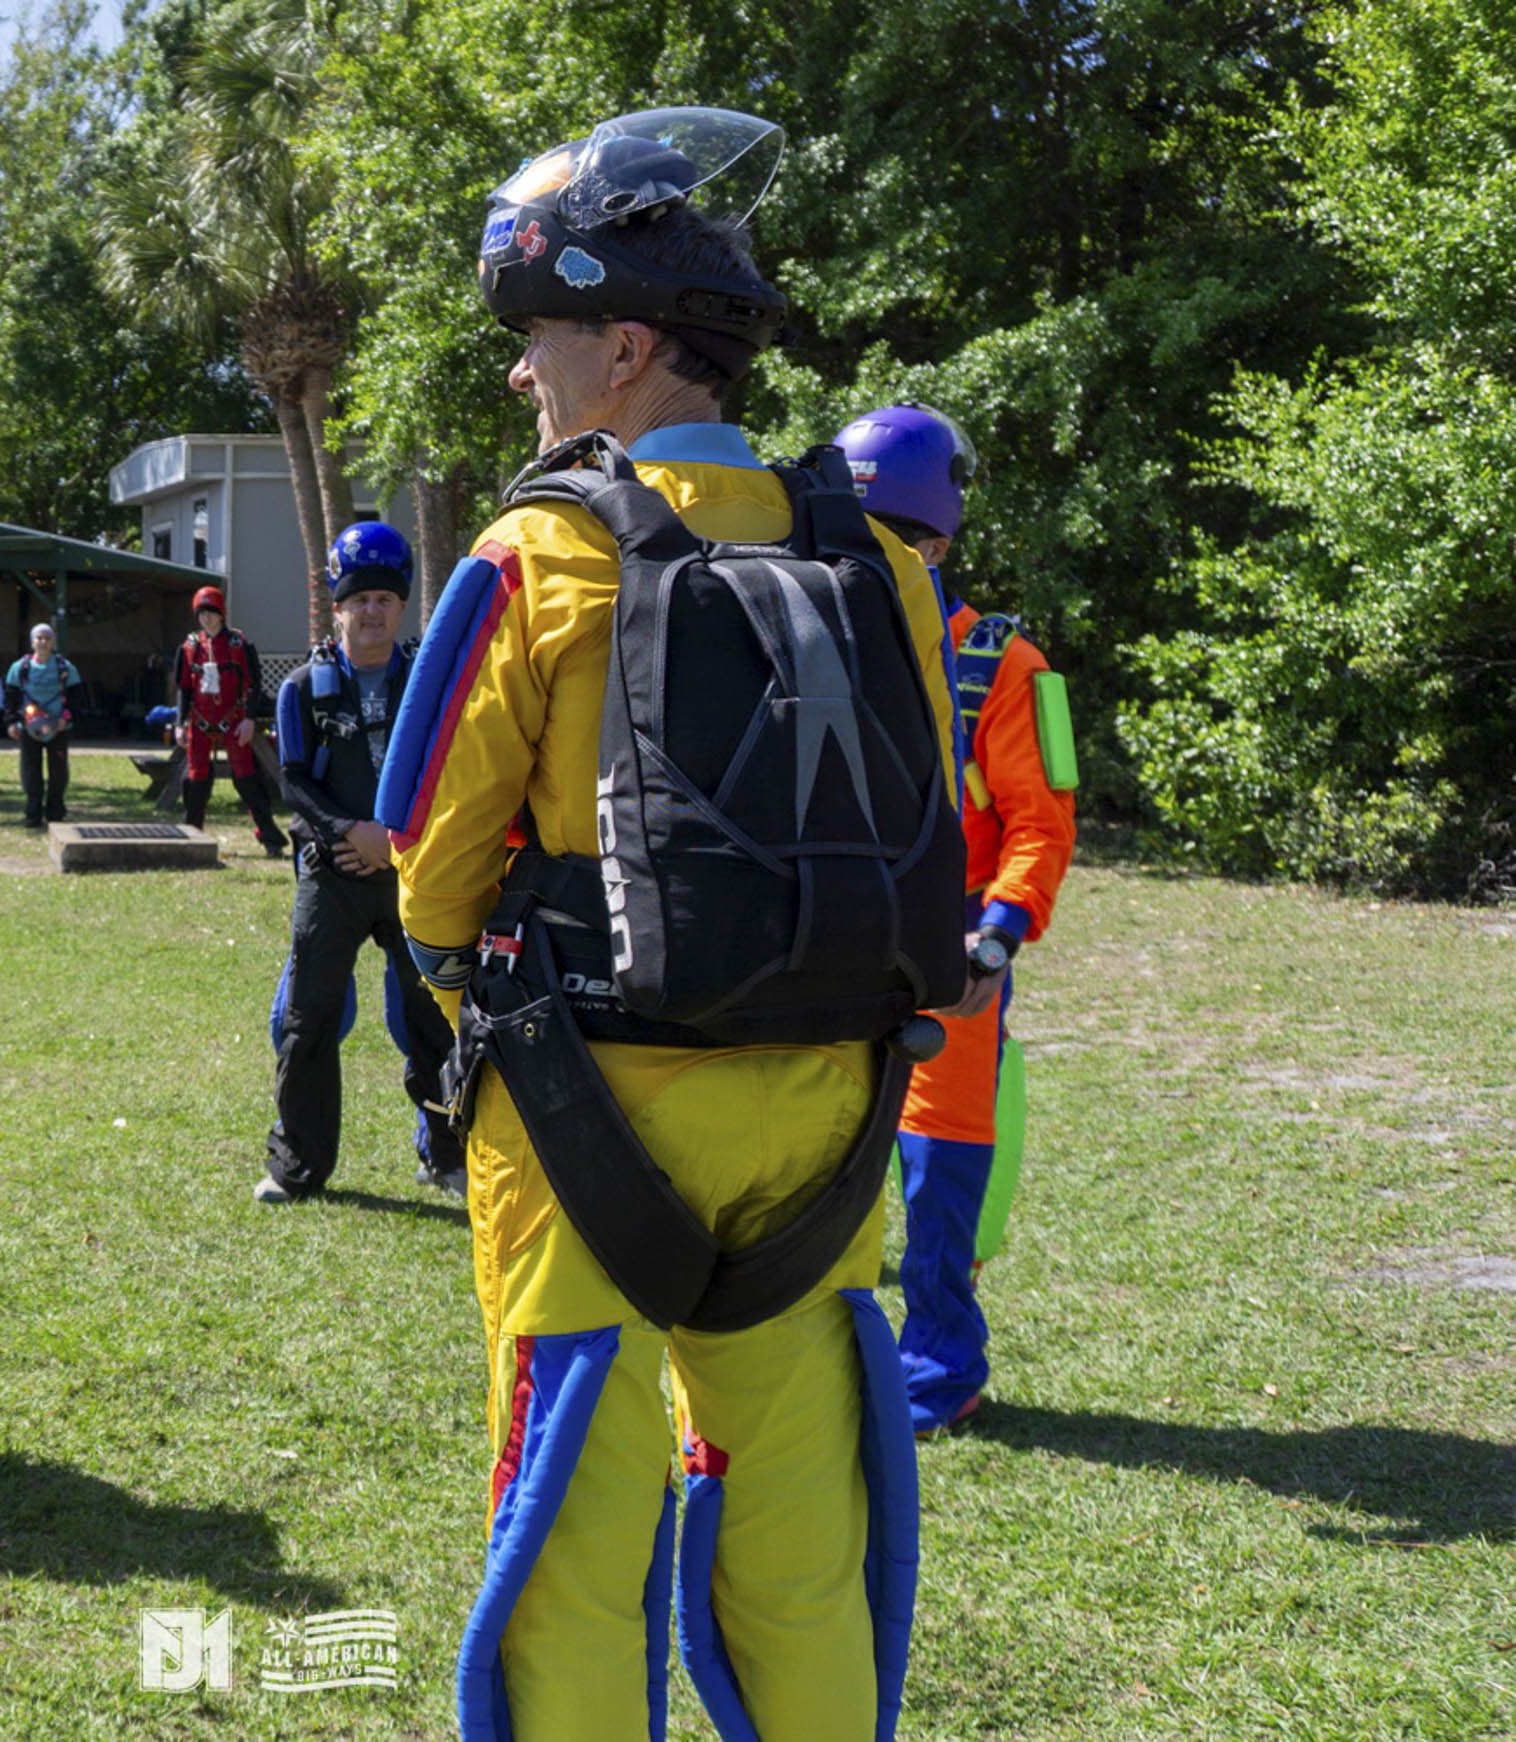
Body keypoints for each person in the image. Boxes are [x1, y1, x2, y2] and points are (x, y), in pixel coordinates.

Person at [375, 109, 966, 1741]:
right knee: (801, 1525)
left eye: (540, 341)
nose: (522, 377)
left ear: (626, 345)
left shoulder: (536, 551)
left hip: (583, 1115)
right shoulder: (881, 564)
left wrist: (466, 987)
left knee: (573, 1515)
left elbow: (430, 862)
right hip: (834, 1115)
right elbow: (931, 824)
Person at [835, 403, 1078, 1438]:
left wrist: (998, 933)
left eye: (886, 537)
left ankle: (938, 1366)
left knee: (938, 1169)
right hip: (832, 945)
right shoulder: (819, 644)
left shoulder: (1008, 668)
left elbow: (1041, 822)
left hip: (951, 960)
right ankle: (825, 1355)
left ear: (933, 541)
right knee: (823, 1159)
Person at [255, 523, 465, 1204]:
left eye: (383, 599)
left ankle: (446, 1155)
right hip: (333, 870)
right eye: (359, 600)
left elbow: (453, 770)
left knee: (431, 1019)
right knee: (308, 1020)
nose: (371, 611)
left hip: (414, 872)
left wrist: (395, 840)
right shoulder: (304, 690)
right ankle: (298, 1167)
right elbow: (293, 779)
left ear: (401, 607)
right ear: (337, 607)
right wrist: (350, 832)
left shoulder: (427, 684)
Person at [174, 585, 287, 856]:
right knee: (196, 778)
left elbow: (254, 684)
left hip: (234, 721)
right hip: (199, 722)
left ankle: (269, 837)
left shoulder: (239, 644)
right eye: (202, 613)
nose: (207, 619)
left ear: (221, 614)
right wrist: (179, 722)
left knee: (246, 777)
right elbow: (183, 688)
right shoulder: (190, 647)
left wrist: (249, 719)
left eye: (211, 613)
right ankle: (193, 834)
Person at [2, 623, 83, 829]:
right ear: (32, 642)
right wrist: (11, 722)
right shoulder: (19, 668)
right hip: (29, 727)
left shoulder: (66, 668)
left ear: (53, 642)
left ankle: (56, 812)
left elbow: (76, 697)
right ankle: (33, 813)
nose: (43, 642)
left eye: (47, 638)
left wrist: (67, 717)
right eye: (39, 638)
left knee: (58, 771)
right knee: (31, 770)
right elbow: (11, 698)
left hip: (58, 727)